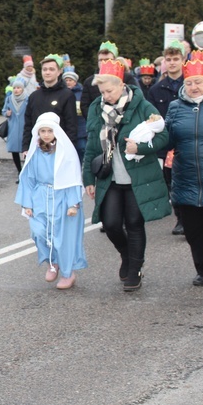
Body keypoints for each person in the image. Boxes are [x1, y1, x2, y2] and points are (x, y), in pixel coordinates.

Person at [83, 60, 171, 291]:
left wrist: (140, 148)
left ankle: (135, 270)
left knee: (133, 223)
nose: (106, 96)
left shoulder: (142, 105)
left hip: (137, 177)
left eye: (109, 90)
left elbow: (163, 136)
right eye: (102, 92)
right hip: (109, 177)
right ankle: (127, 255)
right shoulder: (96, 107)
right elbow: (92, 146)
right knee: (110, 224)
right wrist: (88, 180)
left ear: (121, 85)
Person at [16, 113, 86, 289]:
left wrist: (73, 203)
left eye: (49, 130)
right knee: (38, 232)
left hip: (62, 198)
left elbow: (72, 177)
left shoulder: (65, 152)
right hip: (40, 197)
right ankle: (51, 262)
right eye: (42, 131)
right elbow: (28, 178)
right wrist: (27, 203)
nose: (46, 134)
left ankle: (67, 273)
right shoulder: (35, 153)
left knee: (63, 238)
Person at [165, 54, 203, 287]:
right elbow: (167, 139)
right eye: (189, 83)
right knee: (194, 231)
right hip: (185, 178)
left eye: (199, 82)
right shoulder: (175, 107)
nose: (194, 87)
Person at [146, 40, 187, 235]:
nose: (172, 63)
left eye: (176, 59)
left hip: (186, 140)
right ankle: (180, 216)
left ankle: (185, 218)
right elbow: (152, 116)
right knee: (170, 182)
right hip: (166, 143)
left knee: (187, 179)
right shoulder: (156, 89)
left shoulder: (190, 84)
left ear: (183, 60)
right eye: (168, 59)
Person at [22, 54, 78, 150]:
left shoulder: (67, 95)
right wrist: (25, 147)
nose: (47, 72)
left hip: (60, 148)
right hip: (36, 147)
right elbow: (28, 124)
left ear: (59, 72)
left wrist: (69, 148)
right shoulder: (34, 96)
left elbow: (71, 125)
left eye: (51, 69)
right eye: (45, 69)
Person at [2, 78, 29, 176]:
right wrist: (7, 113)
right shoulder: (9, 99)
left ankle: (26, 172)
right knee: (14, 151)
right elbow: (4, 111)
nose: (16, 90)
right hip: (13, 128)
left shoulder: (27, 99)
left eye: (18, 88)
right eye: (14, 88)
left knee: (26, 150)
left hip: (24, 127)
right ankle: (19, 171)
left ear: (22, 89)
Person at [63, 67, 86, 163]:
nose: (68, 82)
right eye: (66, 80)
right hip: (66, 128)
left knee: (81, 149)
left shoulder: (81, 93)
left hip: (80, 127)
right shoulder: (62, 93)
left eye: (70, 80)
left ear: (75, 82)